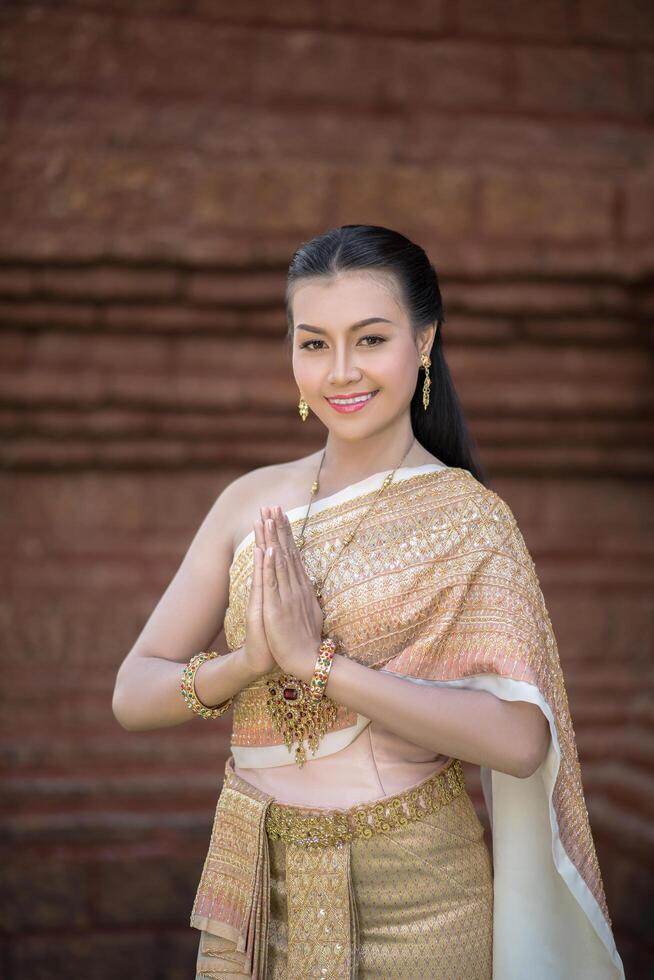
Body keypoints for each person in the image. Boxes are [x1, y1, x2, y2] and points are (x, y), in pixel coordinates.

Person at [112, 225, 625, 979]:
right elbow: (132, 693)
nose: (341, 371)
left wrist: (320, 666)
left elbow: (522, 741)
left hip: (415, 896)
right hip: (249, 882)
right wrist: (249, 663)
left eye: (370, 339)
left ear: (423, 342)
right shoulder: (247, 501)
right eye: (313, 343)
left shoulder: (469, 518)